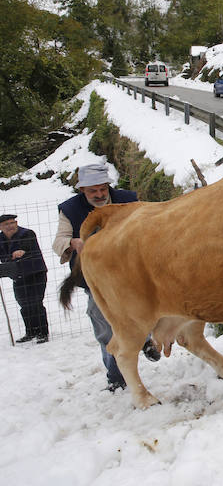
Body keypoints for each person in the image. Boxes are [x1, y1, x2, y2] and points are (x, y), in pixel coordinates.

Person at [53, 163, 160, 391]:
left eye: (103, 189)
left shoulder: (128, 199)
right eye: (93, 191)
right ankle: (116, 375)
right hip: (97, 279)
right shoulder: (70, 210)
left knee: (146, 310)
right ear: (82, 190)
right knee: (104, 324)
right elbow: (58, 241)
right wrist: (73, 242)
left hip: (132, 271)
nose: (100, 195)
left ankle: (145, 340)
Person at [0, 214, 50, 344]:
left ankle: (42, 332)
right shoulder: (0, 239)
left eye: (12, 223)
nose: (11, 226)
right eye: (7, 224)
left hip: (35, 272)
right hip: (18, 275)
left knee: (36, 302)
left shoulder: (27, 233)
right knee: (23, 304)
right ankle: (31, 331)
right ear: (1, 227)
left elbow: (27, 245)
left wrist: (22, 251)